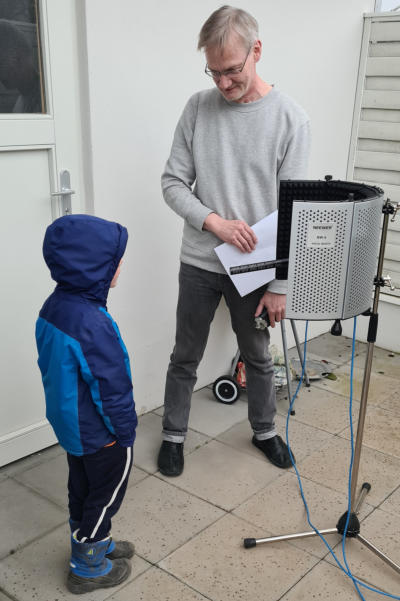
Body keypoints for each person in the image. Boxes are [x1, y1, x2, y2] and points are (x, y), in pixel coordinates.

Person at [158, 5, 310, 477]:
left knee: (259, 356)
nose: (222, 84)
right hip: (200, 261)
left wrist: (281, 286)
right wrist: (214, 222)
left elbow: (294, 213)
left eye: (232, 71)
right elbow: (172, 183)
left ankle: (264, 431)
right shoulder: (197, 108)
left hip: (257, 270)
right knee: (185, 355)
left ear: (256, 51)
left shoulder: (291, 120)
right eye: (214, 71)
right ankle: (173, 436)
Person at [35, 214, 137, 595]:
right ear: (94, 266)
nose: (120, 265)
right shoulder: (91, 322)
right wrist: (124, 432)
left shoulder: (54, 306)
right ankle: (87, 565)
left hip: (71, 425)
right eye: (115, 260)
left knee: (82, 486)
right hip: (99, 432)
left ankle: (95, 540)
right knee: (106, 493)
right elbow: (110, 387)